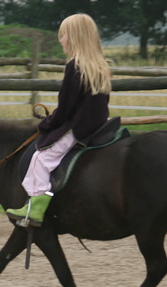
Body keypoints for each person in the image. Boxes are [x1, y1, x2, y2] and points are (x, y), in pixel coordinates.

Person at [6, 13, 112, 226]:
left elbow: (65, 110)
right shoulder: (100, 65)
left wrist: (46, 124)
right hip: (98, 124)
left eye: (63, 35)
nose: (61, 40)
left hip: (79, 128)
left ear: (74, 38)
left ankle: (35, 209)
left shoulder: (75, 66)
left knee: (40, 159)